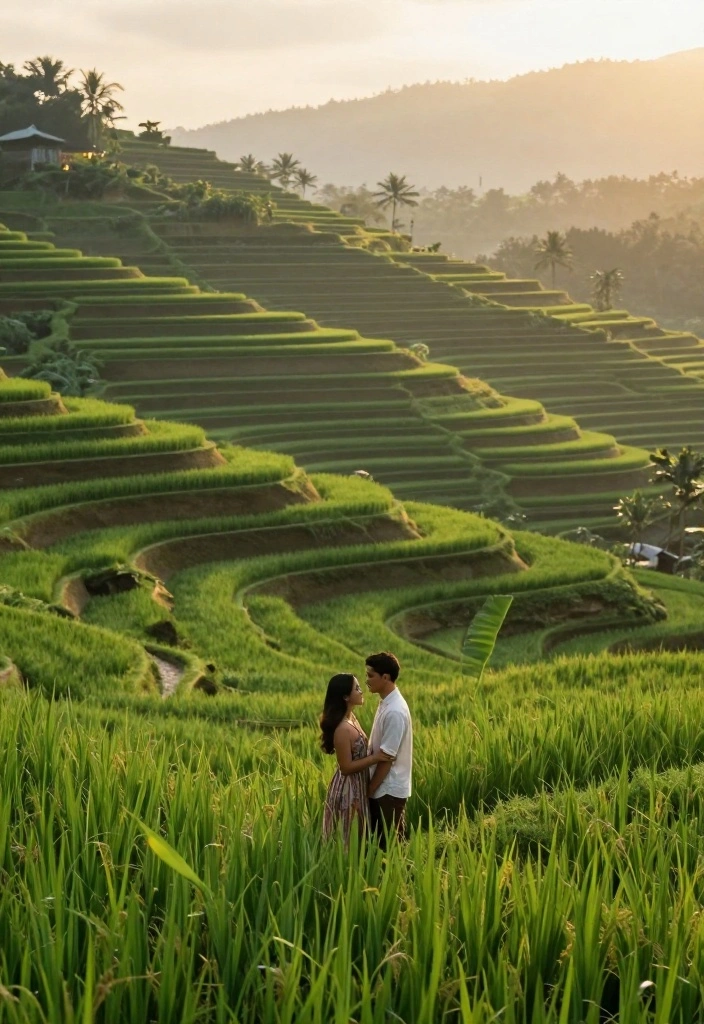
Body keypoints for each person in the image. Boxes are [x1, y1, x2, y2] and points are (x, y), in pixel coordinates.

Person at [320, 673, 394, 843]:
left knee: (359, 835)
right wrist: (376, 758)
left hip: (358, 784)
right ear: (346, 697)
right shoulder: (342, 729)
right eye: (357, 688)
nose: (361, 691)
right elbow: (345, 767)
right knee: (348, 838)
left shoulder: (351, 719)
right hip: (348, 790)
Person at [366, 652, 413, 846]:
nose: (367, 680)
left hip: (388, 789)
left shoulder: (395, 711)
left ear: (385, 677)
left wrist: (370, 790)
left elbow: (386, 757)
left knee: (389, 848)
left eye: (370, 675)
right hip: (383, 788)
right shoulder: (386, 702)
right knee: (382, 844)